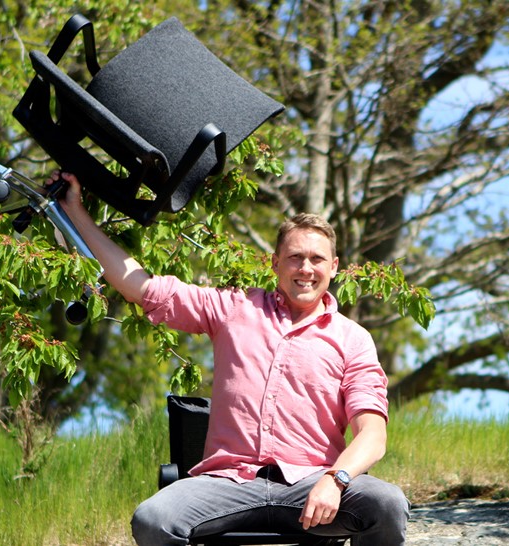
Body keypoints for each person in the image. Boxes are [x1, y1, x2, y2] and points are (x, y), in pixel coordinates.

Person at [48, 172, 410, 545]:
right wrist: (74, 211)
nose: (306, 268)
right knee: (153, 519)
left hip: (313, 483)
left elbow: (372, 435)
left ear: (333, 267)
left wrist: (335, 480)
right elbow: (141, 287)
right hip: (228, 483)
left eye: (317, 259)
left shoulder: (353, 339)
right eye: (295, 257)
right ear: (275, 263)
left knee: (386, 503)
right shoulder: (234, 308)